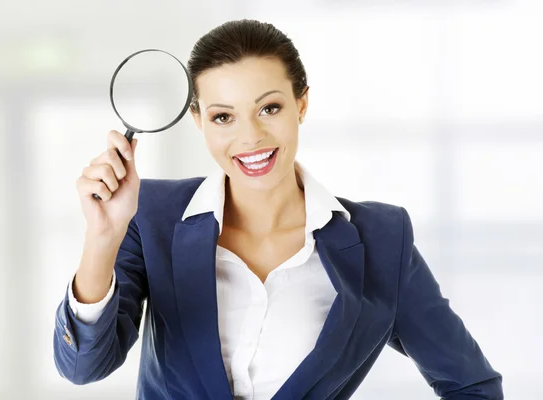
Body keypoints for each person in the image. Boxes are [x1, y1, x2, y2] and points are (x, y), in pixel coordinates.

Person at [53, 19, 503, 400]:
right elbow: (83, 368)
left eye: (269, 107)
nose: (249, 138)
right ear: (198, 121)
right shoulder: (151, 215)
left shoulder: (382, 239)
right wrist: (103, 238)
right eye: (223, 117)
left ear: (301, 104)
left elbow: (473, 385)